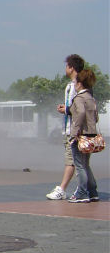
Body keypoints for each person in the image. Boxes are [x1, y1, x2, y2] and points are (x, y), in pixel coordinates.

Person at [46, 54, 85, 201]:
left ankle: (63, 189)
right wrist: (67, 108)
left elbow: (81, 108)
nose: (65, 69)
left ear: (71, 67)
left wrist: (67, 110)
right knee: (80, 163)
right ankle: (90, 189)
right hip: (70, 128)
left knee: (72, 161)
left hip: (74, 130)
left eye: (66, 66)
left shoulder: (78, 85)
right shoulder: (72, 85)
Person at [68, 69, 99, 203]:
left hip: (80, 136)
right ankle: (92, 192)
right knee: (86, 164)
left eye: (76, 83)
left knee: (79, 165)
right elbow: (95, 117)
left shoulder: (79, 98)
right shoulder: (91, 98)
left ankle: (82, 193)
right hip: (91, 135)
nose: (74, 85)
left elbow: (80, 113)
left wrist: (75, 132)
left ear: (80, 84)